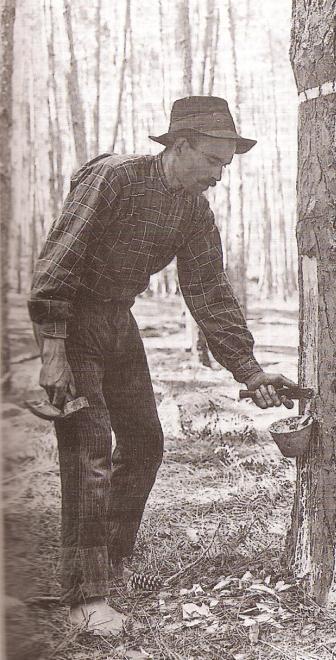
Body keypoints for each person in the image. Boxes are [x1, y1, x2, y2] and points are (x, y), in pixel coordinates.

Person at [28, 96, 297, 635]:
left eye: (226, 165)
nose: (219, 177)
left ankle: (111, 559)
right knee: (89, 448)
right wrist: (53, 351)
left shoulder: (193, 210)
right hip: (74, 316)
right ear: (179, 146)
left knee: (146, 442)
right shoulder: (114, 178)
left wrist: (248, 370)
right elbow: (57, 263)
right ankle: (85, 597)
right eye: (213, 162)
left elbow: (209, 292)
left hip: (118, 320)